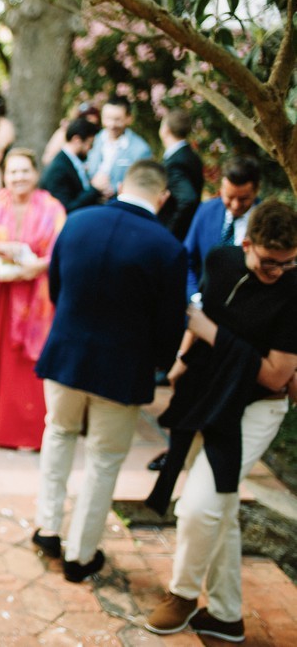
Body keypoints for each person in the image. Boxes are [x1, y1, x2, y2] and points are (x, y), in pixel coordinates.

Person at [143, 200, 297, 642]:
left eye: (290, 263)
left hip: (257, 407)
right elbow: (202, 314)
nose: (280, 272)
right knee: (221, 509)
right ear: (247, 244)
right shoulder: (221, 259)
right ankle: (228, 616)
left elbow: (275, 374)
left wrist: (212, 333)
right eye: (271, 263)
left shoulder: (294, 288)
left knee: (198, 507)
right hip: (210, 395)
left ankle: (183, 594)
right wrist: (181, 361)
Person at [32, 161, 186, 583]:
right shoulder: (168, 247)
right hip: (122, 370)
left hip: (66, 355)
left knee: (58, 434)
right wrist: (155, 363)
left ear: (121, 185)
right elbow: (171, 324)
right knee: (104, 459)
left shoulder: (78, 221)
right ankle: (80, 555)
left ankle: (47, 528)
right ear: (163, 195)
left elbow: (56, 288)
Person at [0, 150, 66, 450]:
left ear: (35, 174)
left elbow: (61, 251)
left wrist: (41, 266)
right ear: (5, 175)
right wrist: (0, 248)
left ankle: (25, 432)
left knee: (25, 366)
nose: (19, 177)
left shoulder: (52, 208)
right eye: (13, 172)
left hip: (35, 301)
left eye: (24, 171)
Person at [183, 155, 261, 297]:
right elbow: (186, 259)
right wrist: (193, 296)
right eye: (229, 197)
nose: (235, 205)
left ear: (256, 191)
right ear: (221, 189)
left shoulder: (266, 220)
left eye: (243, 199)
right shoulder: (206, 211)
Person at [39, 117, 109, 213]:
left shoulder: (73, 162)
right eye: (90, 144)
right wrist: (94, 189)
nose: (90, 149)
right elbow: (65, 209)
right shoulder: (59, 169)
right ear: (76, 140)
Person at [155, 109, 203, 241]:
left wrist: (170, 231)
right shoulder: (191, 155)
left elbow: (188, 199)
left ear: (166, 129)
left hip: (177, 235)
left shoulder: (175, 162)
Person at [87, 95, 153, 188]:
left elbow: (143, 184)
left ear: (129, 118)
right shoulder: (94, 140)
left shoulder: (141, 149)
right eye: (107, 118)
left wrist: (113, 189)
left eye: (117, 119)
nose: (111, 124)